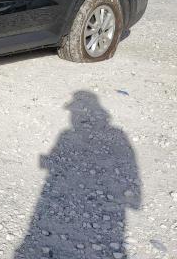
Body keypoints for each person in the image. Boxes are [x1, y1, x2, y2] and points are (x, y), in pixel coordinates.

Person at [14, 91, 141, 258]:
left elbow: (129, 164)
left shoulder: (70, 134)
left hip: (90, 198)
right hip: (100, 201)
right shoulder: (114, 134)